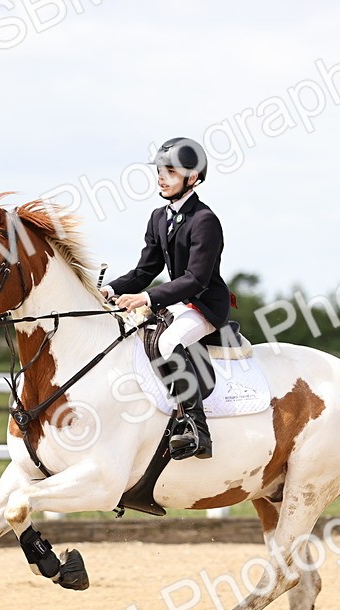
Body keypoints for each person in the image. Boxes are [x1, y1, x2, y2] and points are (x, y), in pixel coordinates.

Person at [101, 137, 232, 459]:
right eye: (160, 170)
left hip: (204, 304)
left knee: (167, 342)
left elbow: (196, 278)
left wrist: (146, 298)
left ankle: (196, 429)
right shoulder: (159, 217)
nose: (161, 177)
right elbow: (145, 269)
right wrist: (110, 290)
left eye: (170, 172)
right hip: (177, 301)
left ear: (193, 178)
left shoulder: (205, 220)